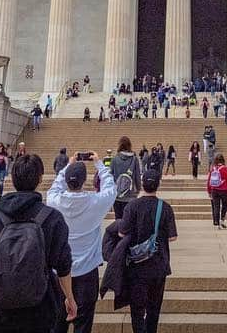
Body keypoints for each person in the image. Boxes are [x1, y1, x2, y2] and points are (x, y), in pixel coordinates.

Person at [0, 154, 75, 333]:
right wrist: (70, 298)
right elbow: (63, 266)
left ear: (12, 179)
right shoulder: (52, 218)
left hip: (0, 310)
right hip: (40, 306)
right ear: (40, 178)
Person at [46, 153, 117, 333]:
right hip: (87, 272)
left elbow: (54, 187)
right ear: (85, 180)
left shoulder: (55, 201)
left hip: (59, 273)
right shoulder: (95, 202)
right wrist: (99, 164)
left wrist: (67, 167)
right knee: (83, 325)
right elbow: (111, 188)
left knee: (57, 323)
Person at [116, 168, 177, 333]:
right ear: (158, 185)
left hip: (137, 267)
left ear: (142, 184)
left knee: (137, 310)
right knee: (154, 310)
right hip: (159, 266)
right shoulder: (165, 208)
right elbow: (172, 237)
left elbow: (122, 232)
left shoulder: (132, 206)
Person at [110, 136, 141, 220]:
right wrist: (138, 189)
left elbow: (110, 176)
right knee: (130, 221)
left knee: (118, 220)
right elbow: (137, 176)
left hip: (117, 195)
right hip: (131, 195)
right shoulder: (134, 159)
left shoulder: (114, 159)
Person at [207, 153, 227, 229]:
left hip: (214, 190)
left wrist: (209, 191)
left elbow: (209, 180)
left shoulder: (213, 168)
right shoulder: (225, 169)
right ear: (223, 160)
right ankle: (222, 220)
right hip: (224, 191)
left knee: (216, 207)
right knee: (224, 206)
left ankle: (217, 223)